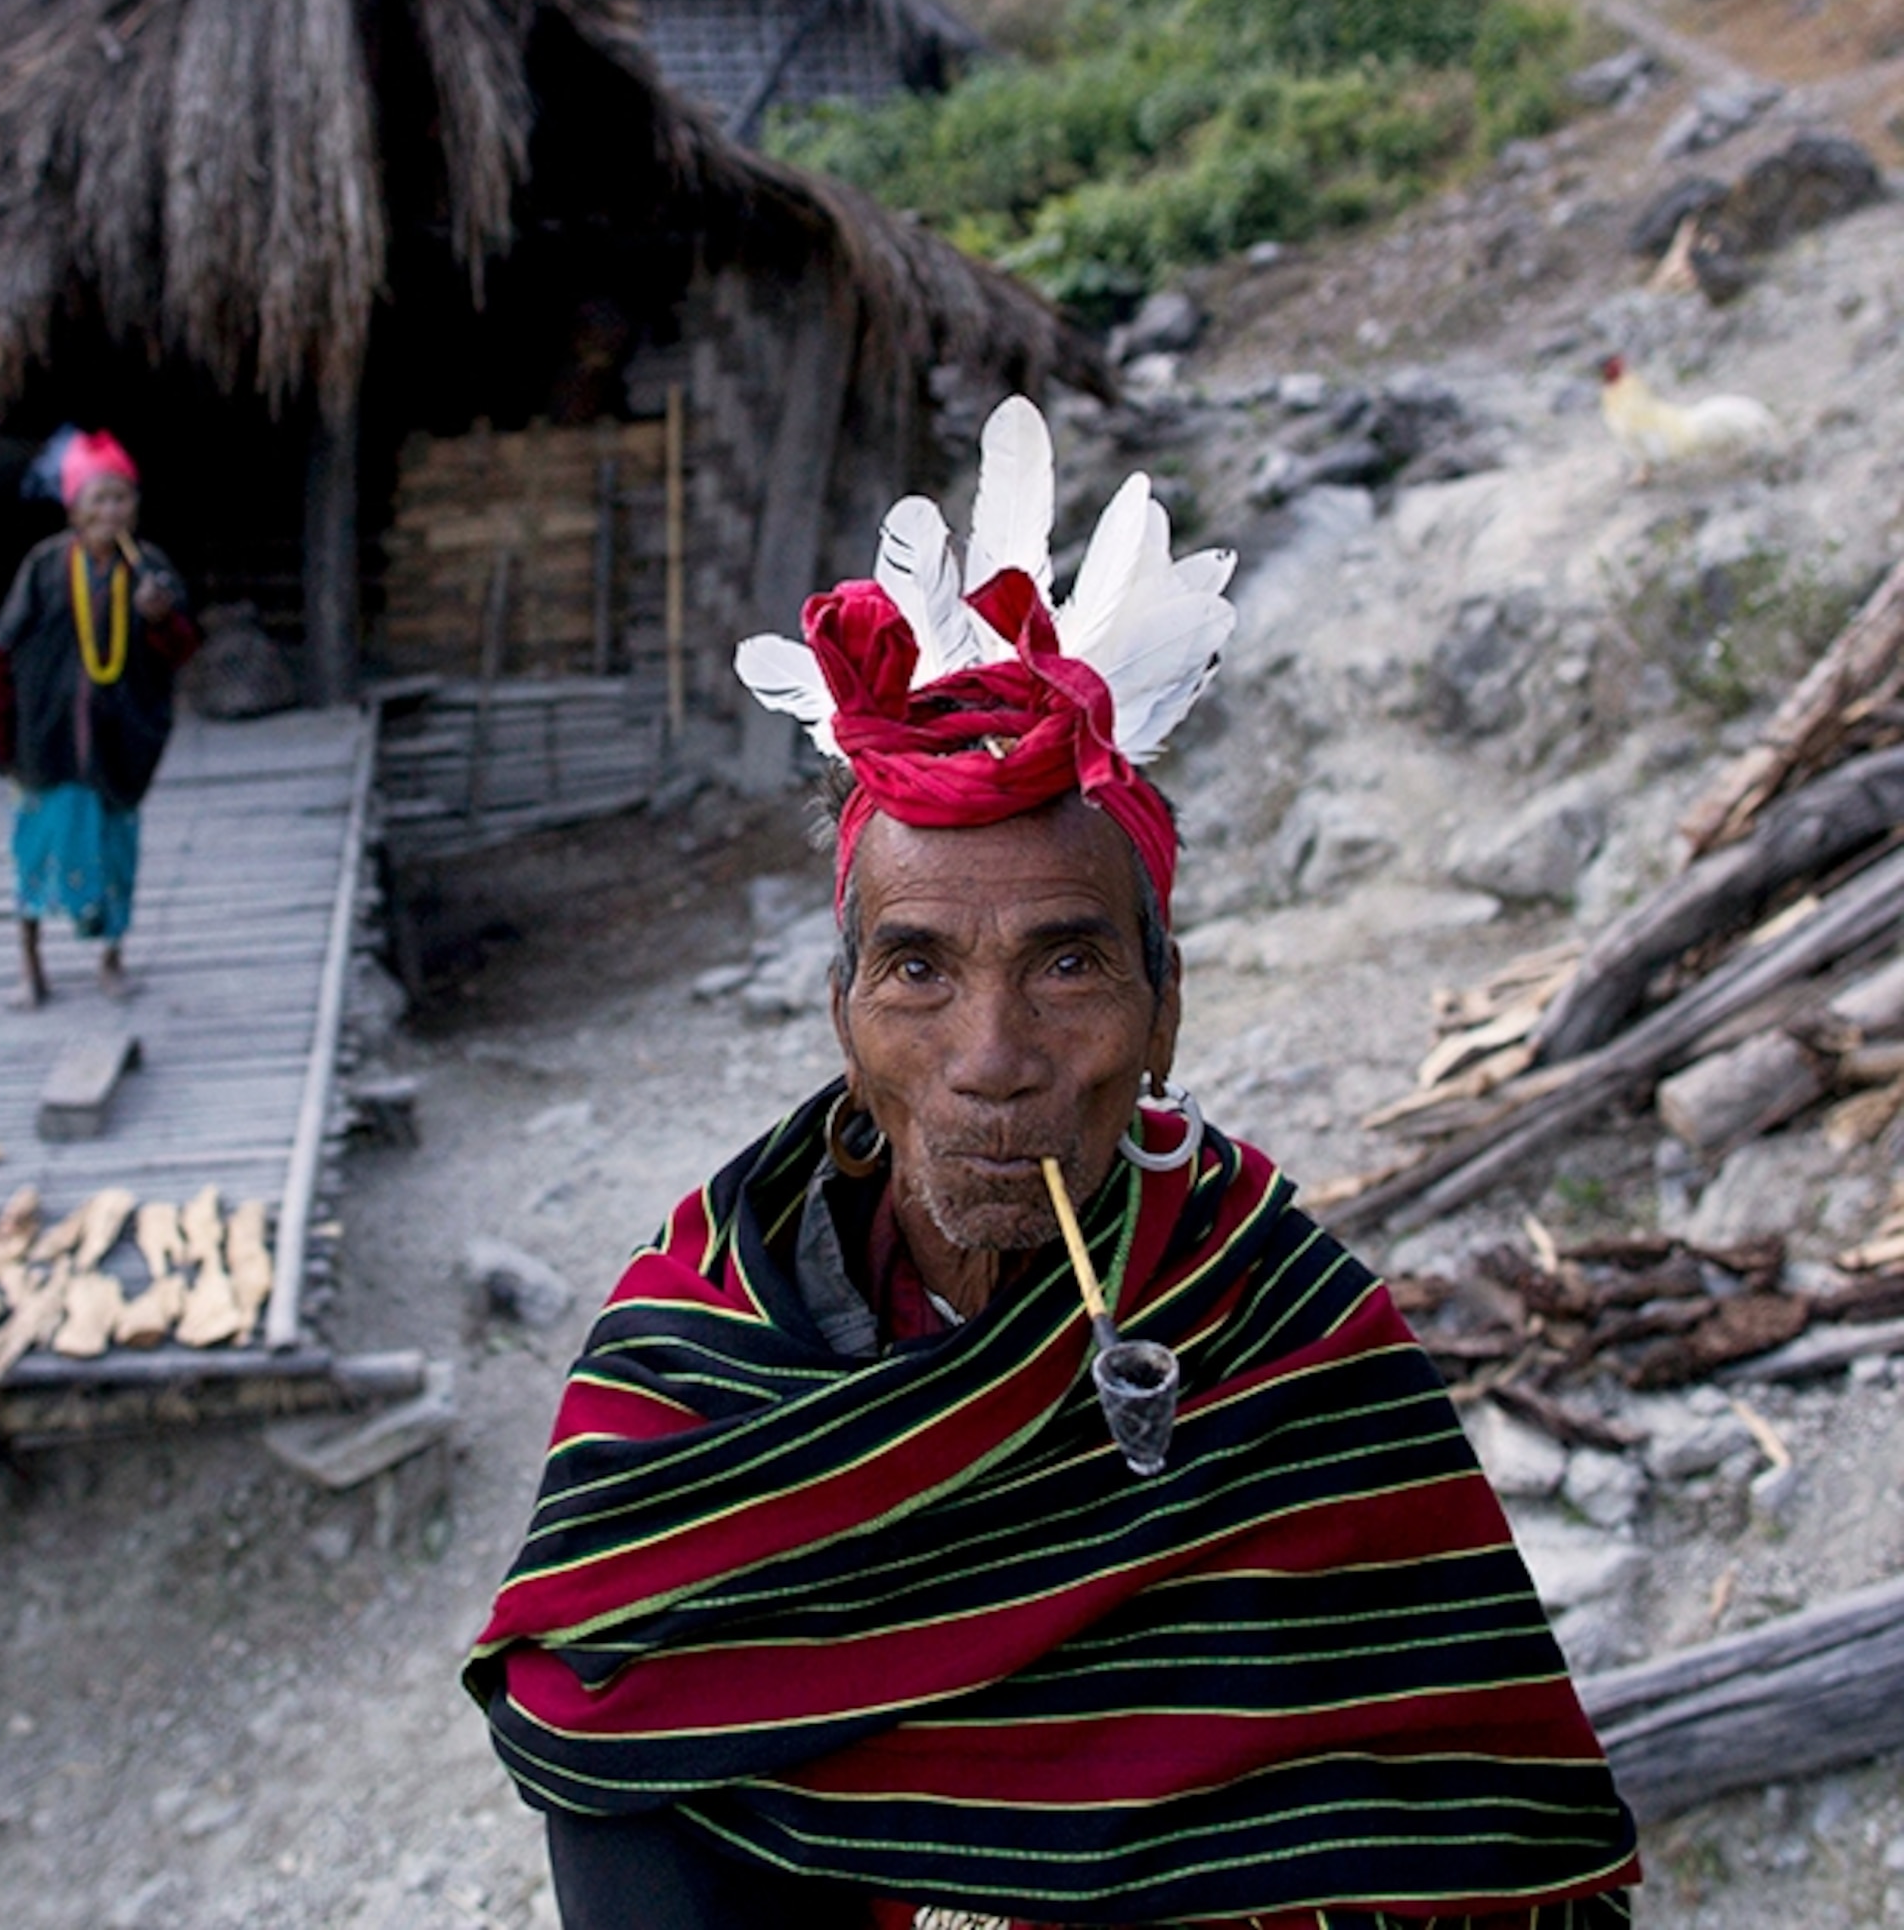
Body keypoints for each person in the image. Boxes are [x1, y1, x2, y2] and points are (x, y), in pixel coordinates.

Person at [465, 400, 1640, 1930]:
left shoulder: (1287, 1337)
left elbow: (1486, 1835)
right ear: (844, 1017)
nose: (994, 1056)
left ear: (1166, 1012)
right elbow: (603, 1733)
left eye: (1071, 965)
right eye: (918, 971)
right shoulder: (693, 1361)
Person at [0, 430, 197, 1006]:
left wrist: (158, 619)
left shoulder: (150, 570)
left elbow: (181, 649)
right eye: (97, 500)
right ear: (74, 507)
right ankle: (30, 968)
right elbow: (1, 649)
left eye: (120, 499)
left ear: (136, 506)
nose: (110, 511)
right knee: (35, 853)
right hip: (45, 743)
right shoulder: (45, 566)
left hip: (116, 742)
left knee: (114, 851)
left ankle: (111, 960)